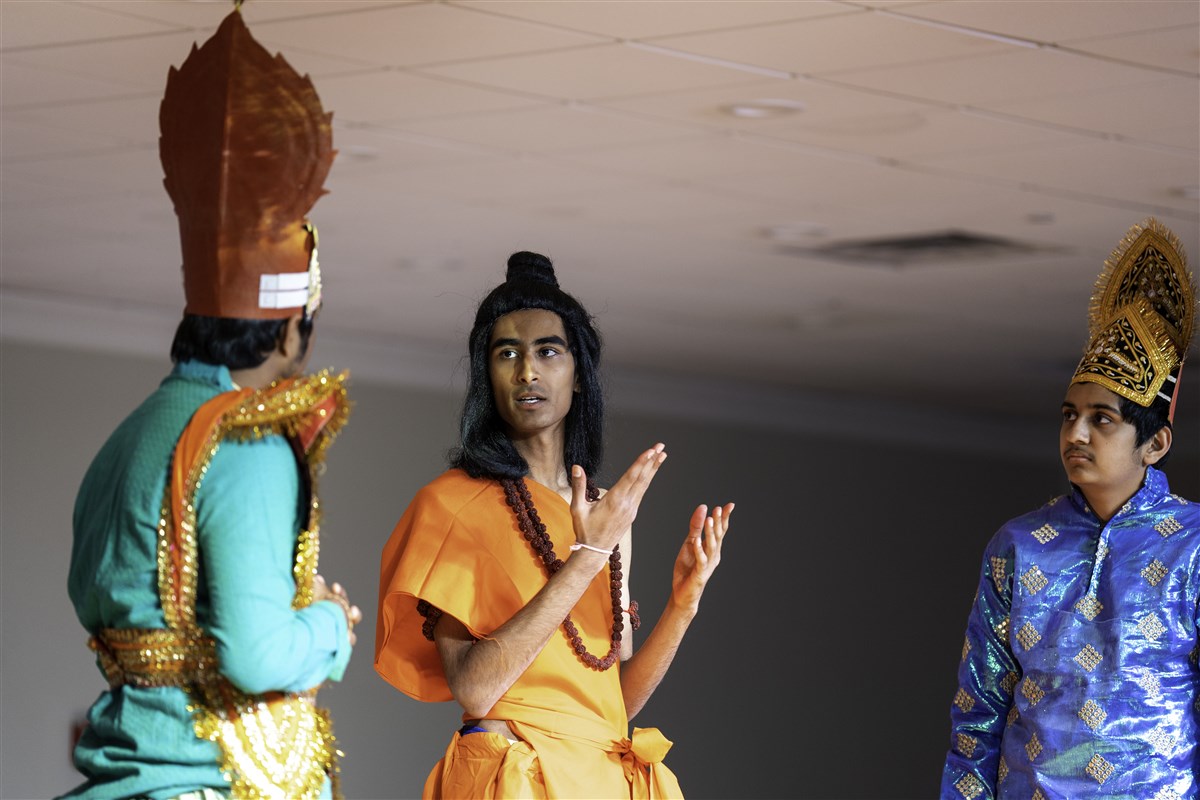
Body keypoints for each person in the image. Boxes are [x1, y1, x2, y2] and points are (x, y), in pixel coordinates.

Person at [63, 9, 359, 799]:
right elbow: (257, 658)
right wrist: (329, 625)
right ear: (291, 329)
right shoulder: (247, 442)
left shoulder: (126, 440)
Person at [375, 251, 734, 798]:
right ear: (487, 375)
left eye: (548, 351)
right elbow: (475, 688)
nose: (528, 371)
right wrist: (587, 556)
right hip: (514, 775)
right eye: (507, 353)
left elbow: (611, 702)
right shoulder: (452, 504)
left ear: (579, 374)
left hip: (603, 779)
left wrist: (682, 606)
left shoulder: (605, 514)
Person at [941, 218, 1198, 799]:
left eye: (1101, 419)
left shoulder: (1193, 544)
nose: (1076, 433)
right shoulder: (1019, 543)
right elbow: (978, 710)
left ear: (1155, 444)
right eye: (1068, 415)